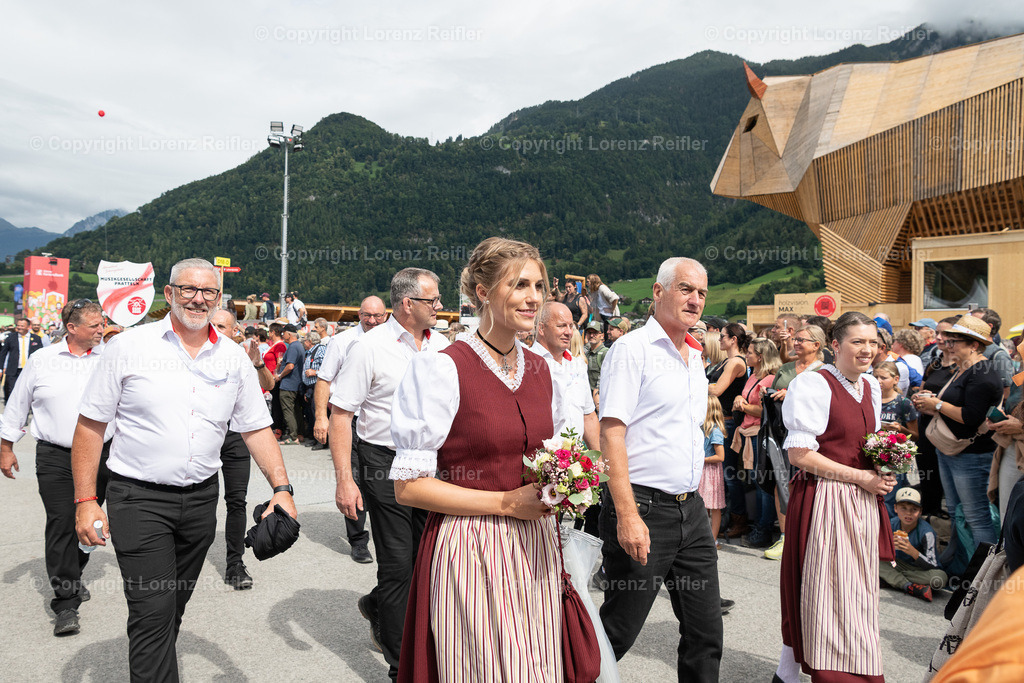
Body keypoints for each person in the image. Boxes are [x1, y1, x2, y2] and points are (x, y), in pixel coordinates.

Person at [71, 258, 297, 682]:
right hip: (138, 499)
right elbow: (90, 427)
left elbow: (256, 428)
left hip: (199, 502)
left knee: (172, 606)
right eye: (188, 289)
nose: (198, 298)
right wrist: (86, 500)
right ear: (170, 293)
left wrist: (282, 487)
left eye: (208, 291)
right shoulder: (129, 347)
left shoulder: (231, 357)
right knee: (152, 611)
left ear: (217, 298)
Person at [390, 238, 573, 681]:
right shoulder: (442, 367)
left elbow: (559, 456)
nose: (533, 297)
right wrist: (507, 502)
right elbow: (408, 486)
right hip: (470, 546)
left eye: (539, 285)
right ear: (483, 292)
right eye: (519, 285)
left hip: (537, 548)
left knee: (537, 668)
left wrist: (571, 485)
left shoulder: (542, 369)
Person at [599, 256, 723, 680]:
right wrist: (628, 515)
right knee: (618, 630)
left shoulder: (693, 355)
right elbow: (611, 434)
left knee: (706, 633)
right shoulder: (631, 351)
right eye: (686, 289)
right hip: (645, 507)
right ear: (658, 291)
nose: (695, 300)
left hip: (692, 510)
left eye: (702, 293)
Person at [328, 268, 449, 680]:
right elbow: (341, 413)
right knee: (399, 564)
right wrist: (345, 479)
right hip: (384, 462)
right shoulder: (370, 348)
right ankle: (402, 666)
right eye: (432, 300)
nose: (440, 306)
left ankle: (380, 604)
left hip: (433, 463)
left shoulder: (444, 345)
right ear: (407, 304)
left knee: (430, 560)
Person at [775, 311, 896, 683]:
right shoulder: (812, 385)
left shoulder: (871, 386)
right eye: (857, 342)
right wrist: (860, 476)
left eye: (872, 343)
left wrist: (886, 460)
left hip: (861, 499)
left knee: (855, 592)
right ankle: (835, 674)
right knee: (825, 594)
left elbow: (863, 442)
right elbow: (800, 455)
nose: (867, 350)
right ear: (835, 345)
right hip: (825, 498)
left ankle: (789, 672)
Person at [0, 300, 112, 636]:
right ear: (72, 328)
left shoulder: (111, 358)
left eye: (102, 323)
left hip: (101, 455)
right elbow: (18, 404)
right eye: (94, 325)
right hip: (55, 456)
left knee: (90, 523)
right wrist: (6, 446)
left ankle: (73, 573)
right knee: (62, 523)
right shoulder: (42, 360)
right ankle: (65, 602)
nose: (101, 329)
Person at [913, 315, 1003, 551]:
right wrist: (931, 402)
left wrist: (938, 406)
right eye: (947, 340)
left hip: (971, 455)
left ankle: (981, 578)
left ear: (973, 345)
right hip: (951, 450)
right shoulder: (964, 369)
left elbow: (971, 417)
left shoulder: (982, 373)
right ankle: (958, 563)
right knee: (955, 512)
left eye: (954, 342)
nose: (947, 345)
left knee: (976, 517)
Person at [313, 295, 387, 562]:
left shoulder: (391, 342)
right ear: (359, 315)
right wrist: (321, 417)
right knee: (352, 480)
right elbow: (323, 380)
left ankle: (387, 538)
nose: (372, 320)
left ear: (386, 316)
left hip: (382, 423)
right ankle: (358, 541)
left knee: (381, 482)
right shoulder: (342, 342)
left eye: (378, 316)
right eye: (367, 315)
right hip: (349, 421)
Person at [210, 309, 275, 590]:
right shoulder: (192, 354)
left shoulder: (242, 357)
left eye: (222, 326)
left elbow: (270, 385)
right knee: (197, 500)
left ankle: (234, 563)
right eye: (212, 324)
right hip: (205, 437)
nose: (215, 329)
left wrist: (258, 365)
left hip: (235, 435)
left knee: (236, 501)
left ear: (234, 331)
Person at [762, 324, 827, 561]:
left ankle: (809, 537)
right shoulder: (786, 368)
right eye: (795, 339)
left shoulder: (825, 371)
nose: (795, 343)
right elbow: (774, 392)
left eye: (801, 340)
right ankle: (785, 536)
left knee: (809, 484)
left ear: (816, 345)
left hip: (811, 438)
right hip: (780, 433)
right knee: (782, 482)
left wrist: (792, 394)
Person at [733, 337, 781, 550]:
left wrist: (742, 406)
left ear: (760, 356)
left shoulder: (769, 379)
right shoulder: (755, 375)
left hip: (758, 433)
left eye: (750, 352)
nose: (746, 355)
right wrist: (739, 399)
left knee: (763, 484)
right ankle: (760, 527)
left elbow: (764, 411)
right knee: (755, 481)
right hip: (749, 432)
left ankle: (763, 530)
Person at [708, 322, 750, 540]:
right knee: (723, 475)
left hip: (726, 422)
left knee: (729, 474)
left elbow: (717, 389)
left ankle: (738, 519)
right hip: (718, 421)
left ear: (733, 339)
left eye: (722, 336)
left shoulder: (735, 362)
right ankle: (724, 519)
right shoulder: (726, 360)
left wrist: (690, 383)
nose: (719, 340)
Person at [879, 487, 947, 602]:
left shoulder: (927, 532)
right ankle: (909, 586)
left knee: (939, 578)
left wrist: (913, 552)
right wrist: (888, 546)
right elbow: (877, 550)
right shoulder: (891, 524)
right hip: (896, 564)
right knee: (872, 560)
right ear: (895, 508)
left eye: (914, 509)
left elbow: (934, 565)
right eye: (903, 508)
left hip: (920, 570)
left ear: (920, 511)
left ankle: (892, 579)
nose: (908, 513)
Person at [874, 361, 920, 518]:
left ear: (895, 379)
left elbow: (915, 435)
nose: (879, 381)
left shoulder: (903, 403)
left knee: (889, 498)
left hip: (895, 460)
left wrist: (900, 430)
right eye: (876, 377)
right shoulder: (871, 400)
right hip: (873, 456)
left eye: (883, 377)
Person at [700, 395, 727, 544]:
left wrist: (700, 459)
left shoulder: (715, 431)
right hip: (703, 471)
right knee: (703, 506)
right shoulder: (702, 428)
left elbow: (720, 456)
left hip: (710, 473)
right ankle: (704, 538)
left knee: (713, 506)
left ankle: (713, 540)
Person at [0, 317, 44, 401]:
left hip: (29, 370)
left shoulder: (36, 338)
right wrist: (0, 369)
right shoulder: (10, 338)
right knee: (12, 391)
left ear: (28, 327)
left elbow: (40, 355)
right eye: (18, 325)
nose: (19, 327)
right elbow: (3, 354)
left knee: (27, 392)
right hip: (13, 370)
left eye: (22, 326)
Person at [276, 324, 305, 444]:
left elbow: (290, 366)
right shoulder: (299, 345)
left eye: (283, 333)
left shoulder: (293, 346)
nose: (283, 335)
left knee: (288, 410)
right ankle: (299, 434)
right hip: (296, 383)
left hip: (289, 383)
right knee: (296, 410)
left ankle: (293, 437)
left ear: (289, 334)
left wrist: (279, 376)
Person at [583, 322, 607, 402]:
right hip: (587, 398)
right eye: (589, 333)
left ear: (602, 335)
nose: (592, 335)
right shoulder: (586, 352)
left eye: (595, 333)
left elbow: (606, 375)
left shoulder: (605, 353)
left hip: (599, 398)